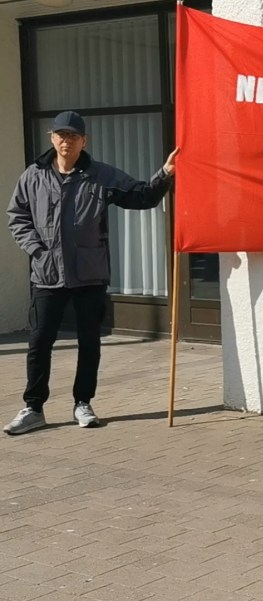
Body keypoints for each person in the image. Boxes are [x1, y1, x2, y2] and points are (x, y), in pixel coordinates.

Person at [5, 110, 178, 435]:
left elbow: (141, 196)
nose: (66, 141)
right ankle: (33, 408)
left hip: (89, 274)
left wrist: (166, 173)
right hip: (47, 275)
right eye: (61, 135)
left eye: (73, 136)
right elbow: (18, 215)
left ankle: (83, 403)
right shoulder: (33, 176)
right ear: (52, 138)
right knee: (39, 342)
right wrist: (37, 250)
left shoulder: (100, 175)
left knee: (89, 342)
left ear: (84, 141)